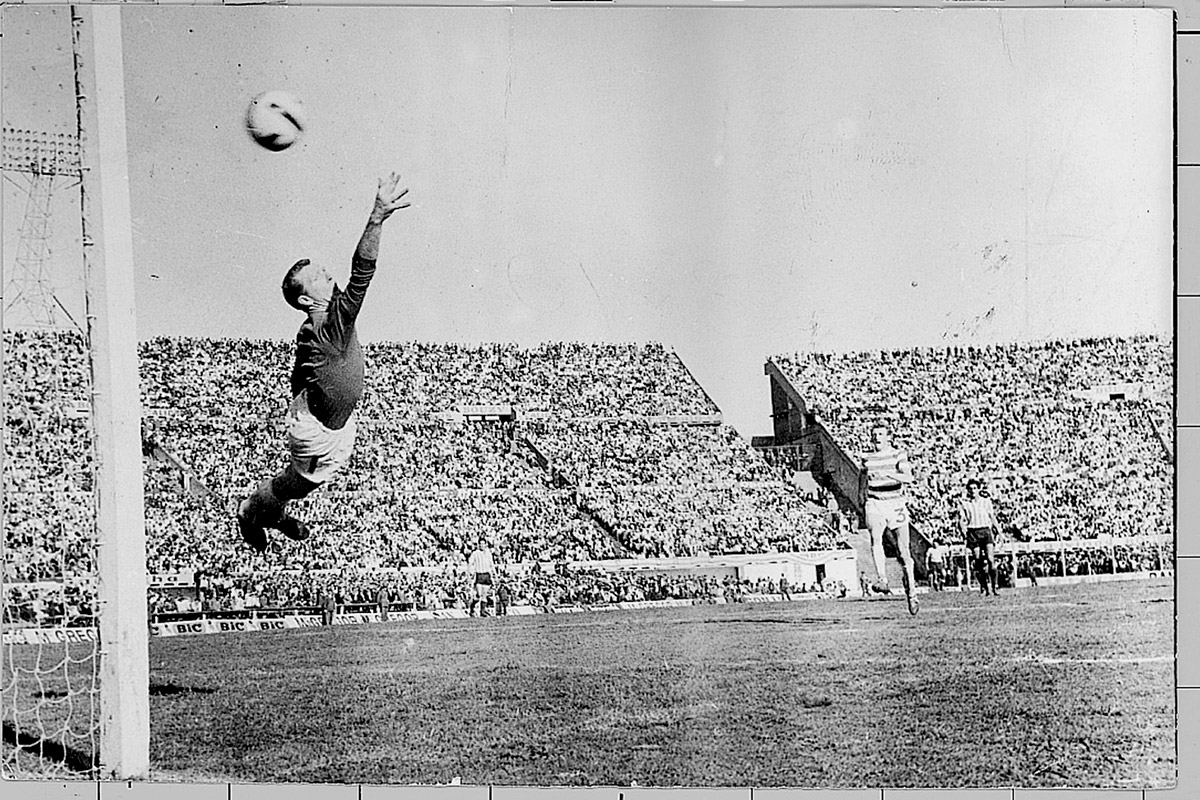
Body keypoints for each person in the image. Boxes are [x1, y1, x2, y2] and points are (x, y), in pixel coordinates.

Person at [237, 173, 411, 552]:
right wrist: (376, 218)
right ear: (304, 299)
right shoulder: (329, 323)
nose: (327, 273)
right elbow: (362, 271)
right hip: (318, 430)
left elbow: (300, 375)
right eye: (316, 276)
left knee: (300, 482)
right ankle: (254, 511)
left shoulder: (314, 326)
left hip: (324, 420)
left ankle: (267, 509)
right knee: (299, 485)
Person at [861, 426, 919, 615]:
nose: (877, 437)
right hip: (875, 502)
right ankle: (882, 579)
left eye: (880, 434)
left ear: (888, 437)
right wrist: (860, 493)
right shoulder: (867, 457)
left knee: (904, 552)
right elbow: (863, 475)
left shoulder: (897, 455)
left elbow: (908, 477)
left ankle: (911, 588)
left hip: (896, 503)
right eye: (874, 434)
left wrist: (889, 474)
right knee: (875, 537)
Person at [959, 478, 1002, 596]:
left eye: (975, 488)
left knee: (990, 559)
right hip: (973, 531)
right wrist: (964, 532)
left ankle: (994, 586)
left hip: (985, 530)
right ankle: (984, 587)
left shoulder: (986, 501)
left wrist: (999, 532)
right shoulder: (964, 503)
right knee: (978, 561)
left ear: (978, 489)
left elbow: (992, 517)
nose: (973, 491)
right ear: (967, 490)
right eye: (970, 489)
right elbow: (962, 520)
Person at [468, 538, 496, 617]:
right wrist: (469, 573)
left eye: (483, 544)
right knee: (479, 594)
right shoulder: (475, 553)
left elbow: (491, 564)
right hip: (479, 574)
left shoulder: (488, 553)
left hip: (487, 575)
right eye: (480, 544)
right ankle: (472, 606)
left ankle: (482, 611)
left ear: (486, 544)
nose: (482, 545)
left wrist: (495, 575)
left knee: (484, 594)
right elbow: (470, 563)